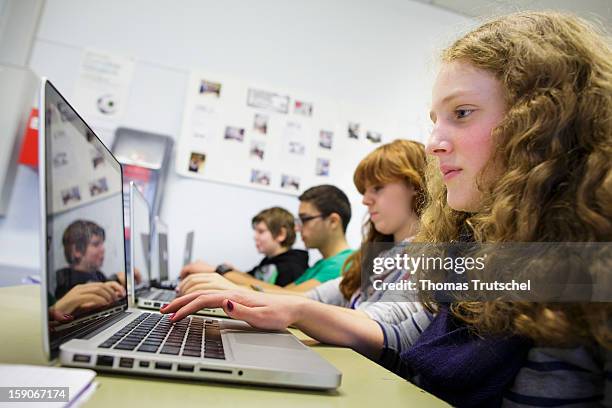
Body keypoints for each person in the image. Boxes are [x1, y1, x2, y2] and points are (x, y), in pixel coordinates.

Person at [163, 11, 611, 406]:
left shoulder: (584, 274)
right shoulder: (473, 251)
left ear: (543, 125)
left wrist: (270, 299)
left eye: (463, 113)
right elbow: (407, 323)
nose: (434, 143)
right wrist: (283, 307)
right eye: (435, 119)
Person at [307, 139, 428, 326]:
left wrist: (299, 311)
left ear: (415, 185)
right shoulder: (381, 255)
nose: (365, 200)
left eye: (377, 188)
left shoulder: (432, 256)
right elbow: (314, 298)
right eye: (364, 191)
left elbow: (381, 320)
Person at [178, 185, 354, 294]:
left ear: (333, 221)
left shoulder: (343, 265)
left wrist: (221, 274)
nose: (298, 227)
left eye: (305, 219)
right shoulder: (321, 265)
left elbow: (289, 299)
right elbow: (281, 293)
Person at [180, 207, 309, 288]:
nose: (255, 236)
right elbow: (248, 279)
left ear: (281, 234)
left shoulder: (291, 266)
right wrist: (230, 270)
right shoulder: (270, 261)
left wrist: (217, 269)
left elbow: (271, 293)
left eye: (261, 231)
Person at [54, 220, 129, 300]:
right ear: (76, 250)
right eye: (96, 244)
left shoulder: (98, 274)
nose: (103, 249)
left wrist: (118, 280)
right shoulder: (63, 280)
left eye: (102, 244)